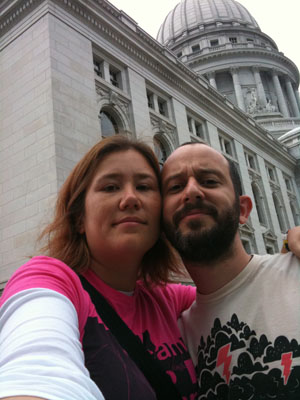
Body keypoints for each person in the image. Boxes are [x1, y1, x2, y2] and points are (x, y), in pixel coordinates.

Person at [0, 136, 198, 400]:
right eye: (111, 187)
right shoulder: (49, 280)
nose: (130, 199)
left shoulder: (169, 299)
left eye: (144, 186)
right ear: (79, 218)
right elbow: (36, 374)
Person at [161, 141, 300, 399]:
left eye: (210, 181)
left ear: (243, 210)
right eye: (175, 187)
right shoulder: (174, 340)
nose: (191, 192)